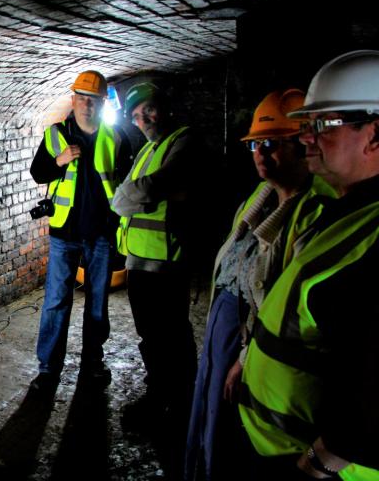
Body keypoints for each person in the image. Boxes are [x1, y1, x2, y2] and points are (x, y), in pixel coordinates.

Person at [239, 50, 379, 480]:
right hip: (283, 443)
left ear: (374, 135)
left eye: (323, 125)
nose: (306, 138)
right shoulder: (347, 211)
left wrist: (315, 466)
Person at [184, 89, 335, 481]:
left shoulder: (312, 212)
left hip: (252, 337)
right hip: (225, 324)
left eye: (272, 144)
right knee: (209, 416)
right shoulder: (261, 195)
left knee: (232, 431)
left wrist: (246, 357)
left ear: (304, 144)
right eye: (255, 145)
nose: (260, 155)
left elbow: (279, 303)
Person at [111, 81, 202, 478]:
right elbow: (132, 193)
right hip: (138, 261)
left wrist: (133, 193)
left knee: (174, 336)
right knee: (150, 336)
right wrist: (135, 193)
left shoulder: (184, 142)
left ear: (162, 107)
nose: (141, 118)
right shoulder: (147, 148)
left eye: (147, 109)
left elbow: (153, 185)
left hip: (167, 261)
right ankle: (157, 396)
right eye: (134, 114)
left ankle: (183, 407)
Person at [28, 70, 133, 393]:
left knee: (97, 304)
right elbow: (37, 173)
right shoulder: (55, 135)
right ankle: (48, 370)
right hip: (64, 234)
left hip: (101, 234)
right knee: (57, 302)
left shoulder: (117, 138)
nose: (87, 105)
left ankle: (93, 363)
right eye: (82, 98)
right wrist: (58, 160)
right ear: (73, 100)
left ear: (103, 104)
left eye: (94, 100)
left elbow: (127, 184)